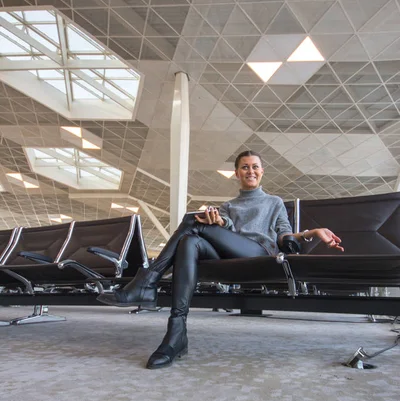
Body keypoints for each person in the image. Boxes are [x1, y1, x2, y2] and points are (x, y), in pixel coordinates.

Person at [98, 151, 343, 369]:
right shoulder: (228, 205)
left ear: (262, 171)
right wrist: (219, 221)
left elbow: (284, 236)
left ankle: (147, 282)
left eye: (255, 166)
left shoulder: (274, 202)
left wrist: (312, 233)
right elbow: (226, 226)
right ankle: (176, 336)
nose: (251, 171)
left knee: (192, 222)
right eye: (245, 167)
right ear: (237, 173)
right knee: (189, 241)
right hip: (227, 255)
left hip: (258, 253)